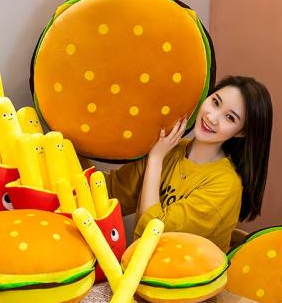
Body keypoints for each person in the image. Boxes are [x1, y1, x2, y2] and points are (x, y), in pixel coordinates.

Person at [104, 75, 273, 252]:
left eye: (229, 117)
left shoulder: (226, 185)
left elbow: (153, 235)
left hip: (175, 268)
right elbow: (112, 192)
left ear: (240, 132)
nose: (212, 117)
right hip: (136, 264)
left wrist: (155, 160)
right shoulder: (167, 149)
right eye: (215, 102)